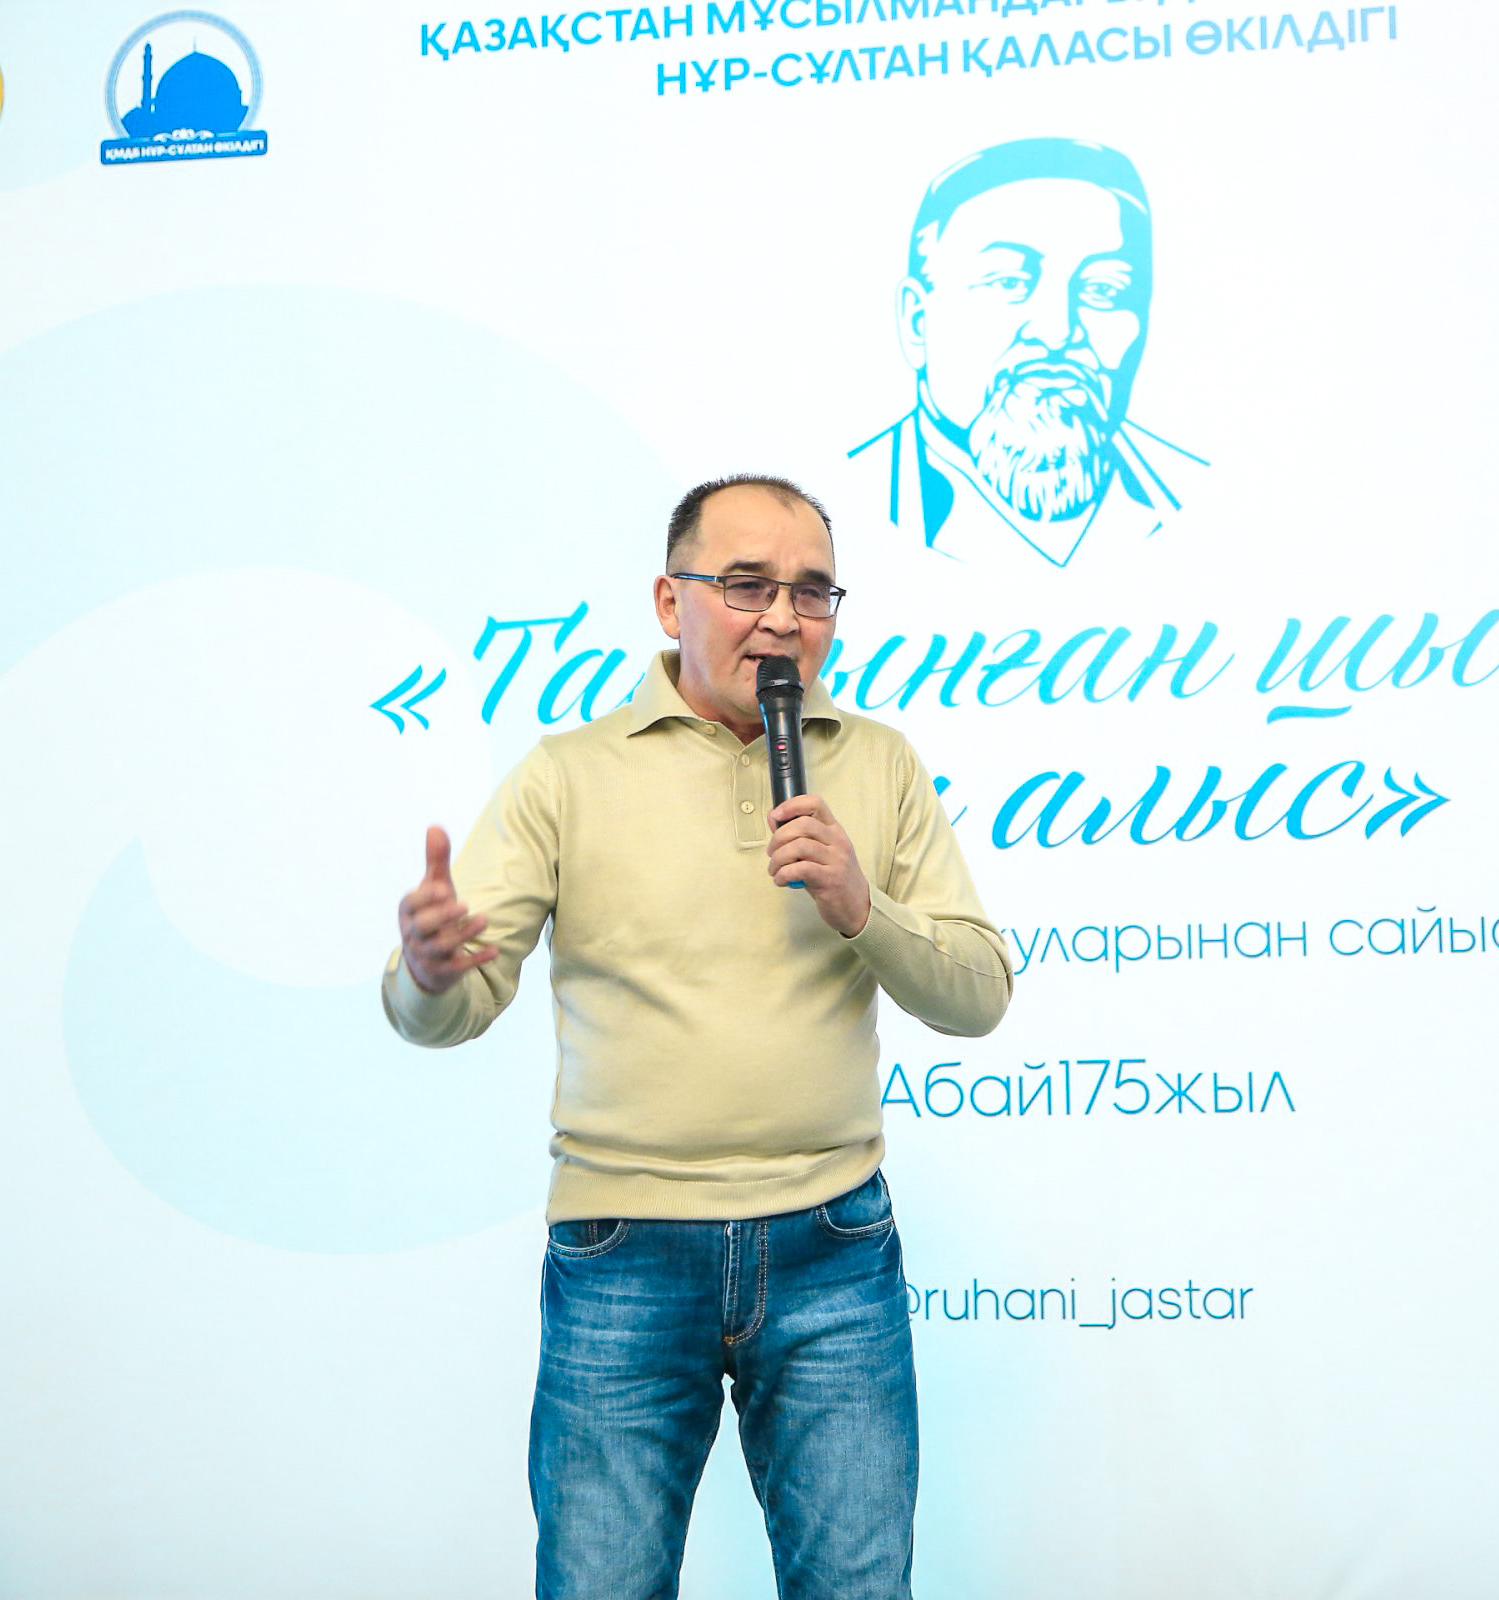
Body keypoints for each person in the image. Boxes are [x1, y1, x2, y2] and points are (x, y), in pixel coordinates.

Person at [382, 475, 1012, 1600]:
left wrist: (862, 904)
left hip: (833, 1245)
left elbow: (979, 996)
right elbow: (454, 1004)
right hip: (623, 1250)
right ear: (670, 603)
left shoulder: (879, 764)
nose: (783, 619)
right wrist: (430, 974)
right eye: (747, 586)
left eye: (812, 591)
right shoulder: (568, 774)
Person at [847, 136, 1208, 573]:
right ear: (916, 321)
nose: (1057, 332)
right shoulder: (844, 498)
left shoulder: (1200, 492)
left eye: (1102, 289)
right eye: (1008, 282)